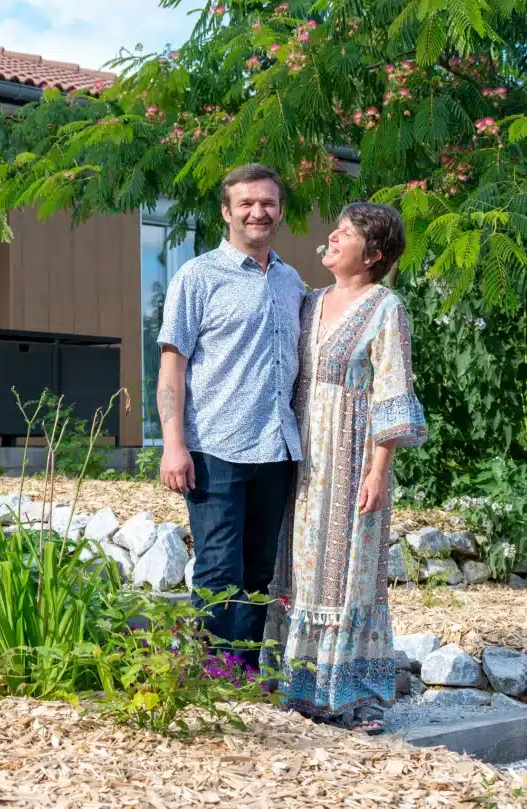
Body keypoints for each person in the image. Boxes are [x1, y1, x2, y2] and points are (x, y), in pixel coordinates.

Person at [276, 202, 427, 734]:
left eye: (346, 233)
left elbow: (392, 390)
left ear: (374, 254)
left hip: (353, 457)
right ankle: (299, 686)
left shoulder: (386, 308)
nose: (332, 238)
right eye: (335, 229)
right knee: (299, 565)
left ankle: (348, 693)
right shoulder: (310, 302)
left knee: (347, 571)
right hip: (301, 455)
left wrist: (377, 471)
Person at [156, 163, 306, 667]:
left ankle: (243, 674)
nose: (257, 212)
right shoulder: (197, 277)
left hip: (277, 448)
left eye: (267, 203)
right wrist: (172, 444)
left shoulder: (291, 282)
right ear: (226, 211)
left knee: (259, 572)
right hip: (215, 446)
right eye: (246, 203)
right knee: (219, 571)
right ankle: (218, 681)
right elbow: (172, 367)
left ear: (280, 211)